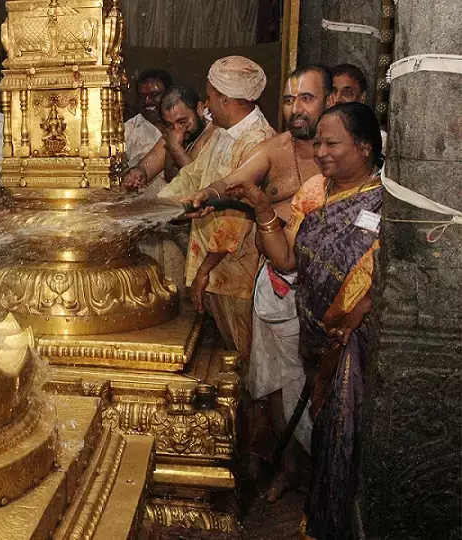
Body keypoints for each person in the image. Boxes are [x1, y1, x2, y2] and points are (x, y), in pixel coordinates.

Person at [225, 102, 383, 540]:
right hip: (318, 335)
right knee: (329, 431)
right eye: (319, 143)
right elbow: (288, 257)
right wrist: (260, 206)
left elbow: (396, 272)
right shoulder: (316, 191)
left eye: (333, 143)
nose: (322, 151)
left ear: (366, 148)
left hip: (356, 340)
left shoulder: (385, 200)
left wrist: (360, 310)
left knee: (343, 435)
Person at [185, 64, 335, 501]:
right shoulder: (275, 148)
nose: (296, 108)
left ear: (329, 102)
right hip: (277, 281)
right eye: (289, 99)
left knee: (324, 387)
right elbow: (232, 182)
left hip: (327, 289)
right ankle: (286, 468)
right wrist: (209, 196)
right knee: (271, 381)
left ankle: (323, 478)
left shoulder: (344, 151)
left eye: (306, 98)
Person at [133, 56, 276, 359]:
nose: (207, 104)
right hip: (213, 267)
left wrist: (204, 271)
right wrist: (156, 208)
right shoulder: (224, 133)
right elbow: (193, 176)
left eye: (210, 96)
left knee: (243, 357)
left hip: (235, 275)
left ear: (227, 99)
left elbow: (237, 216)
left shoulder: (258, 140)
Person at [331, 63, 387, 151]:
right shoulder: (314, 138)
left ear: (362, 97)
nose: (338, 99)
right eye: (333, 92)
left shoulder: (378, 140)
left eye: (347, 93)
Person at [124, 69, 173, 170]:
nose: (147, 101)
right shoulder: (128, 130)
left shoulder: (181, 125)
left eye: (154, 95)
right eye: (142, 96)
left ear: (169, 95)